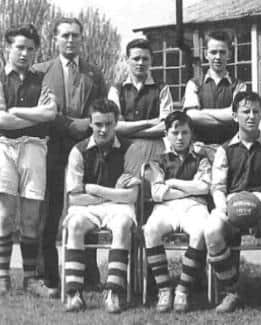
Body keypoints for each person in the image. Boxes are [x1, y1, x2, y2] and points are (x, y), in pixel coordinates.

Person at [33, 17, 107, 296]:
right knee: (50, 212)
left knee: (83, 209)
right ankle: (48, 275)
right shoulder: (41, 71)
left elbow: (101, 109)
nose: (70, 40)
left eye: (75, 35)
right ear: (55, 39)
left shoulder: (94, 73)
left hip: (85, 150)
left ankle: (89, 273)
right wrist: (68, 124)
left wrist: (87, 125)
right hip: (51, 149)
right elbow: (43, 111)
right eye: (65, 35)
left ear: (82, 38)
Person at [204, 91, 261, 315]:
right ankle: (231, 290)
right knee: (212, 229)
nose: (251, 116)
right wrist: (225, 209)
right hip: (231, 203)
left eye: (256, 111)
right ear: (235, 116)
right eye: (245, 111)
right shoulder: (224, 150)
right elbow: (218, 187)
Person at [63, 99, 140, 313]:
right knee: (76, 224)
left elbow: (132, 196)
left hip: (117, 207)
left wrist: (94, 189)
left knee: (123, 223)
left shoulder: (130, 149)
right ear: (90, 124)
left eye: (108, 123)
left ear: (116, 123)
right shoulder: (78, 151)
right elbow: (74, 199)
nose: (104, 129)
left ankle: (113, 291)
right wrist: (113, 194)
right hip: (90, 207)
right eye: (98, 124)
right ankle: (74, 292)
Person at [0, 24, 57, 295]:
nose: (25, 53)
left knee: (32, 217)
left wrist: (16, 111)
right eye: (19, 47)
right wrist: (32, 113)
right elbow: (1, 120)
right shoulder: (0, 77)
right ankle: (2, 276)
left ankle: (31, 278)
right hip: (3, 147)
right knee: (5, 215)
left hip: (35, 147)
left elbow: (50, 114)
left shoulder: (42, 77)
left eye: (30, 49)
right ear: (7, 48)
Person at [143, 111, 210, 313]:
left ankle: (182, 290)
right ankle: (164, 289)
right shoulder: (157, 160)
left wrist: (172, 183)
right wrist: (188, 188)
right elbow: (157, 193)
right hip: (166, 208)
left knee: (200, 230)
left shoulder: (201, 159)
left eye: (185, 132)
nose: (180, 137)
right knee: (151, 229)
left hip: (195, 206)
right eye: (175, 132)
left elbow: (204, 188)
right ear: (167, 134)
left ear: (191, 134)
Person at [108, 38, 173, 176]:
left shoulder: (161, 88)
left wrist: (129, 130)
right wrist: (149, 122)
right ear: (127, 60)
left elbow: (165, 126)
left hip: (155, 149)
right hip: (124, 149)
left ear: (151, 60)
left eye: (145, 58)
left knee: (152, 190)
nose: (140, 63)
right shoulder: (117, 89)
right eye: (136, 58)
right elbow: (115, 126)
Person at [183, 30, 247, 161]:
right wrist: (228, 114)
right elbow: (191, 116)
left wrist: (202, 112)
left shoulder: (239, 85)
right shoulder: (194, 84)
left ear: (229, 54)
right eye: (213, 52)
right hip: (200, 151)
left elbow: (236, 115)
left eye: (222, 52)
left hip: (231, 150)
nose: (218, 57)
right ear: (206, 54)